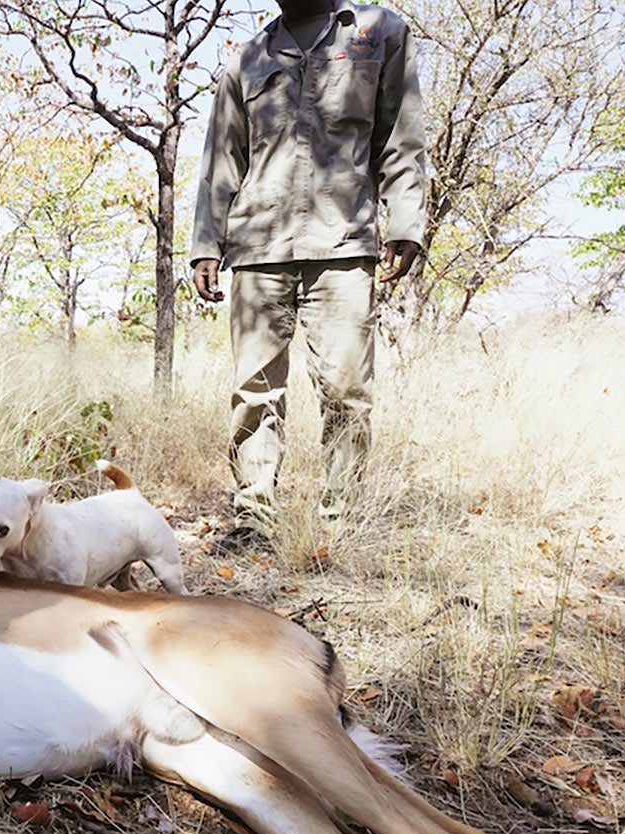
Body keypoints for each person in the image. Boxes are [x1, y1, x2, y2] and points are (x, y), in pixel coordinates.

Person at [190, 0, 427, 552]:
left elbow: (402, 137)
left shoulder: (378, 33)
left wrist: (406, 221)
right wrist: (206, 243)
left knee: (346, 388)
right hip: (257, 245)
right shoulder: (247, 58)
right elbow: (221, 158)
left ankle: (344, 519)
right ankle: (254, 516)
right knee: (253, 390)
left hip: (343, 239)